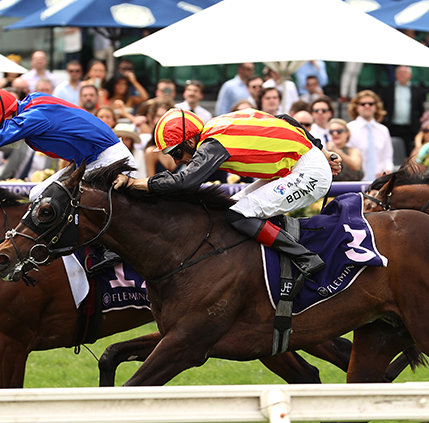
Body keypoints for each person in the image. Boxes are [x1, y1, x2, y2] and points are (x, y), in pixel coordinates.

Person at [113, 108, 341, 294]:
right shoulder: (216, 125)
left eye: (176, 152)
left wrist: (134, 183)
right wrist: (323, 151)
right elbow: (284, 118)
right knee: (227, 211)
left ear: (190, 141)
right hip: (296, 165)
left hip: (308, 172)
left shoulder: (212, 144)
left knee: (238, 215)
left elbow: (184, 182)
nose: (176, 160)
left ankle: (307, 260)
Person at [0, 88, 136, 221]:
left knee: (47, 200)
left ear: (8, 118)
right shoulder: (30, 104)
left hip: (111, 161)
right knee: (37, 194)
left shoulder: (34, 117)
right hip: (89, 161)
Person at [346, 90, 393, 180]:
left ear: (376, 107)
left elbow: (388, 157)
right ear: (356, 107)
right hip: (355, 180)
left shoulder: (383, 130)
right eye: (363, 104)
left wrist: (387, 171)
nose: (367, 106)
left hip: (379, 181)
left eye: (371, 104)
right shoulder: (348, 128)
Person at [382, 65, 424, 155]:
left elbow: (420, 109)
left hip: (410, 128)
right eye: (400, 72)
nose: (402, 75)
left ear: (410, 75)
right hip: (392, 127)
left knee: (409, 153)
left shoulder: (416, 90)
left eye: (405, 72)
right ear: (395, 75)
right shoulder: (388, 89)